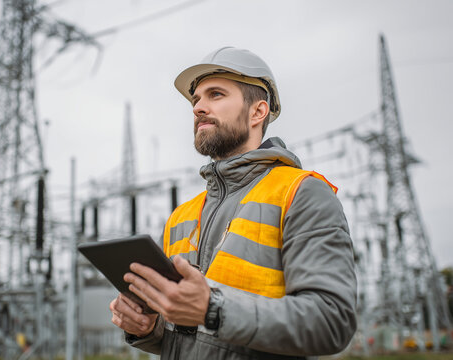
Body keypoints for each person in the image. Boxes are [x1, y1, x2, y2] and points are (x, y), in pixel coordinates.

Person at [110, 46, 357, 359]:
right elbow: (185, 338)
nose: (198, 107)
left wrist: (213, 308)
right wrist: (146, 327)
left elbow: (331, 322)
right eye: (196, 99)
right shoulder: (181, 216)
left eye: (215, 94)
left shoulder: (300, 193)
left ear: (258, 112)